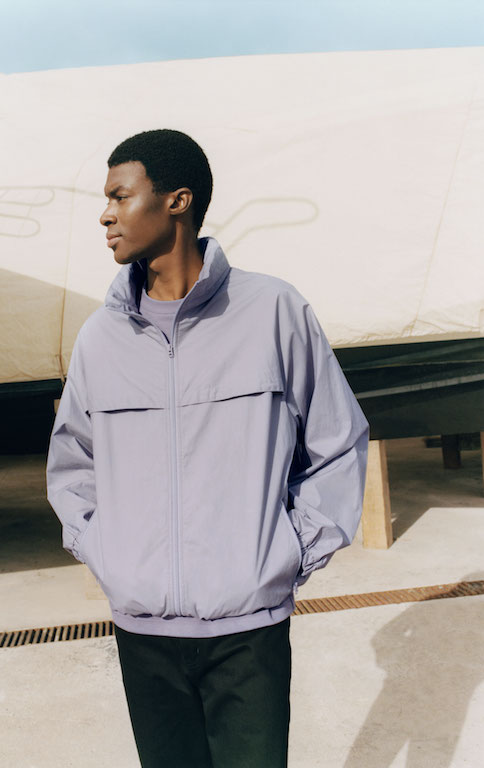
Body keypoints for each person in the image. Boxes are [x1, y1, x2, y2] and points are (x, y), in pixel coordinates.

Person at [46, 128, 369, 768]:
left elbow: (338, 442)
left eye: (120, 196)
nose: (106, 215)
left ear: (177, 201)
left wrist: (284, 556)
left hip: (249, 632)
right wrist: (108, 555)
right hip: (142, 633)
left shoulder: (274, 311)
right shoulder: (99, 338)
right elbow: (73, 464)